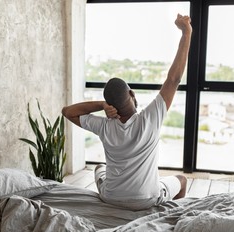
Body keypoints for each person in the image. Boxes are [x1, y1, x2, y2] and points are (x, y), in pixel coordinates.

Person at [62, 14, 192, 210]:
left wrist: (101, 105)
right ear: (131, 93)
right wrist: (186, 32)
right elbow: (173, 80)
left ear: (110, 103)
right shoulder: (151, 117)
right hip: (147, 199)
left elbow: (67, 112)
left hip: (111, 197)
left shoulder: (104, 126)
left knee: (99, 168)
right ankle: (171, 218)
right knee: (181, 179)